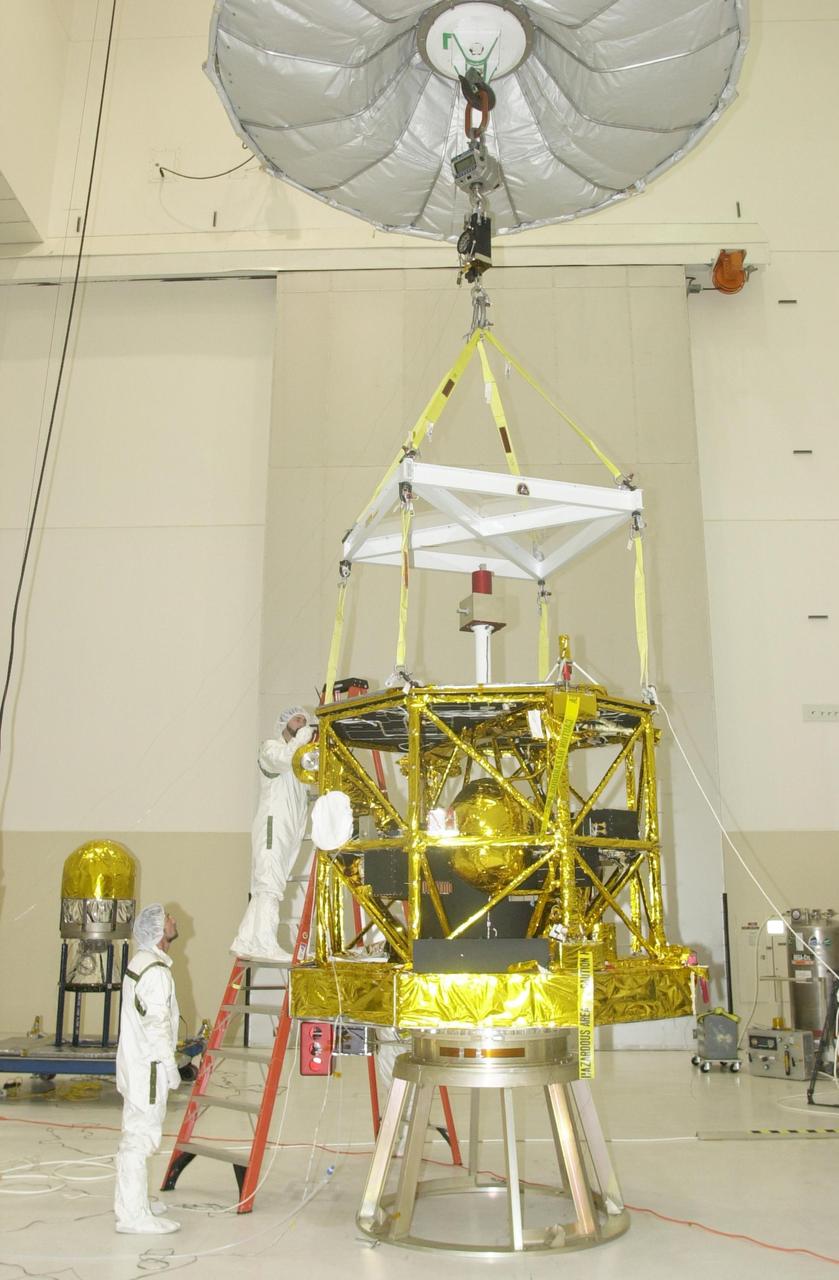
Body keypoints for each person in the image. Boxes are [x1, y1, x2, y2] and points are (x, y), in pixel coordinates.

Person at [114, 904, 182, 1235]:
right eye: (168, 917)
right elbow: (157, 1026)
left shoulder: (141, 962)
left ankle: (134, 1199)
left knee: (135, 1132)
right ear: (158, 931)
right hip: (149, 1067)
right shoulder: (155, 972)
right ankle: (133, 1215)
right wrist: (170, 1067)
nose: (173, 920)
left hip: (135, 1063)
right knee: (142, 1137)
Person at [230, 705, 314, 962]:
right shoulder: (270, 748)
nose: (301, 723)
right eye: (297, 719)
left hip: (289, 828)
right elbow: (286, 760)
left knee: (267, 885)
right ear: (284, 723)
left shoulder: (300, 754)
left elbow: (308, 768)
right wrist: (302, 740)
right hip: (272, 825)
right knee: (270, 883)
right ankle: (266, 944)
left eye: (304, 720)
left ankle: (244, 940)